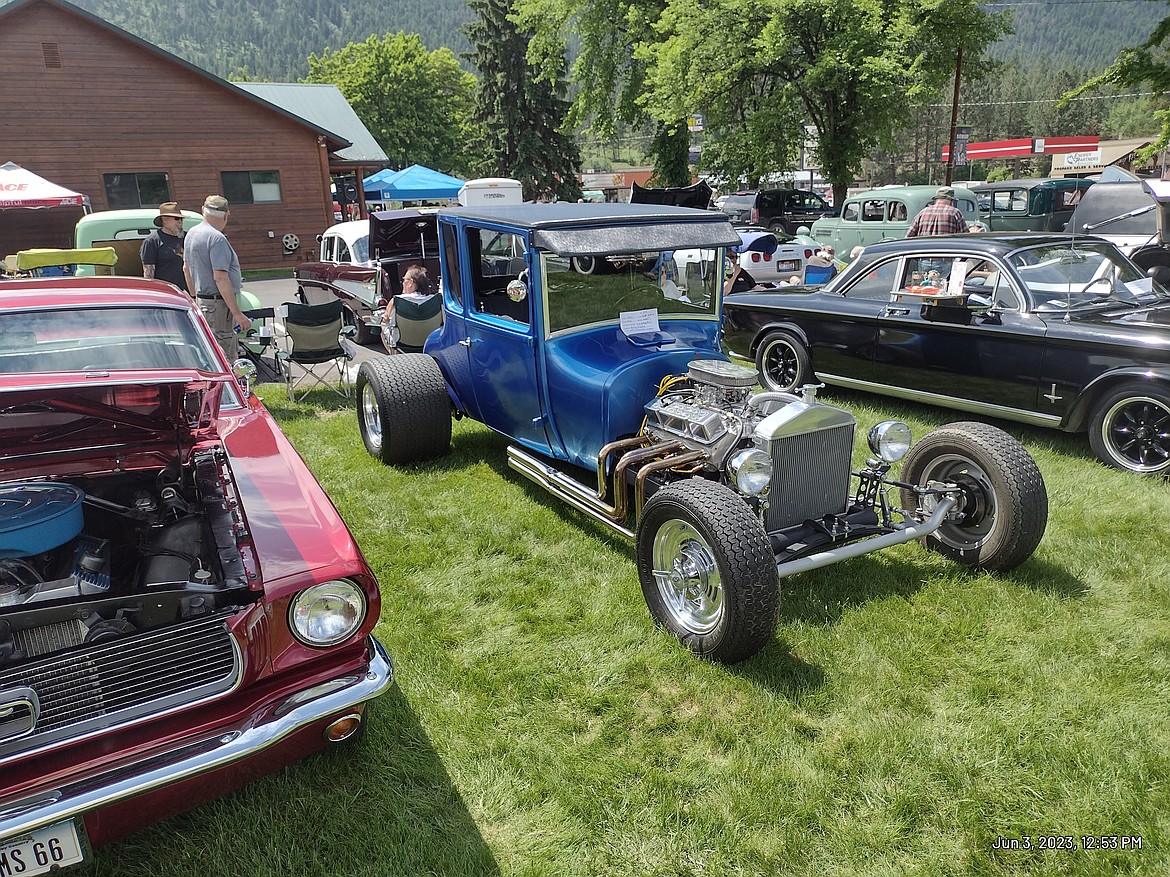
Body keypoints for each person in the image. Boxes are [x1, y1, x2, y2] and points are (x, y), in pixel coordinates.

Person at [183, 195, 251, 361]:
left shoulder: (191, 233)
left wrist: (194, 296)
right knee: (225, 353)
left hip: (203, 301)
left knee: (210, 350)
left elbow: (186, 268)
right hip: (218, 304)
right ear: (226, 215)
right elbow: (220, 277)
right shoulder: (216, 238)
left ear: (203, 211)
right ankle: (230, 386)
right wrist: (237, 313)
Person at [141, 202, 188, 293]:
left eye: (181, 219)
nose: (180, 222)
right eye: (177, 218)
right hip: (166, 294)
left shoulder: (188, 238)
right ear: (165, 219)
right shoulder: (152, 241)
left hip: (189, 294)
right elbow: (148, 274)